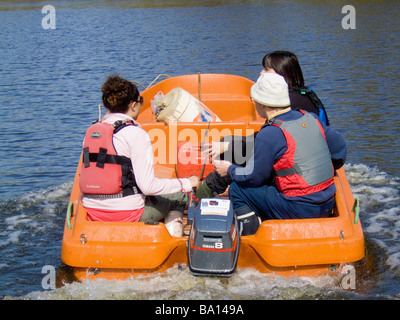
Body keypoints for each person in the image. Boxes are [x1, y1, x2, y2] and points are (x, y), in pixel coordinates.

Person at [213, 73, 346, 235]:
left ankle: (255, 238)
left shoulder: (270, 133)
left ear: (261, 104)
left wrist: (229, 169)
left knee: (237, 190)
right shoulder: (310, 117)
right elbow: (340, 150)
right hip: (327, 202)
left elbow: (253, 177)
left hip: (300, 209)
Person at [196, 50, 329, 200]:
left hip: (297, 170)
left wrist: (229, 149)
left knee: (233, 157)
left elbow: (270, 143)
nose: (260, 73)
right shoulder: (303, 95)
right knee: (229, 142)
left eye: (266, 69)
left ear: (281, 74)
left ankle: (207, 191)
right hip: (310, 163)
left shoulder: (290, 103)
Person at [79, 75, 199, 236]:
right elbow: (148, 187)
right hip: (128, 215)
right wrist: (187, 183)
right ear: (134, 105)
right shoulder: (135, 134)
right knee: (179, 196)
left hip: (93, 212)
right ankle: (172, 237)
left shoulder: (92, 131)